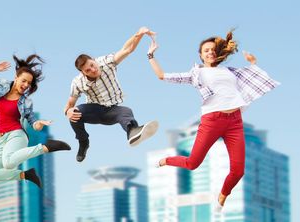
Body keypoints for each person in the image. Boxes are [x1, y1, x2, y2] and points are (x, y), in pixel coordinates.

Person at [147, 30, 279, 211]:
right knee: (193, 163)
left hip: (234, 121)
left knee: (238, 170)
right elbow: (162, 76)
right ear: (201, 56)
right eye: (206, 50)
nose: (210, 52)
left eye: (212, 49)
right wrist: (151, 55)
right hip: (212, 120)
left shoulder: (229, 71)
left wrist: (253, 63)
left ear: (217, 53)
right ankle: (166, 160)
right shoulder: (197, 74)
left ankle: (223, 195)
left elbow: (251, 77)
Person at [64, 27, 159, 162]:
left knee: (126, 111)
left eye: (92, 64)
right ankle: (83, 141)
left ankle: (133, 132)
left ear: (94, 59)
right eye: (88, 70)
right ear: (83, 73)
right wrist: (68, 111)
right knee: (75, 112)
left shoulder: (106, 62)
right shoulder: (78, 82)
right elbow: (69, 104)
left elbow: (127, 49)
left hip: (111, 111)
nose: (93, 69)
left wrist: (139, 34)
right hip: (94, 110)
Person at [0, 55, 71, 188]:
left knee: (9, 163)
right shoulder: (1, 86)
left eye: (29, 83)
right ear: (16, 78)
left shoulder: (25, 102)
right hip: (2, 139)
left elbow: (32, 121)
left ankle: (46, 147)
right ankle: (26, 175)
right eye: (24, 81)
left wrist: (38, 124)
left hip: (16, 135)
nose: (26, 85)